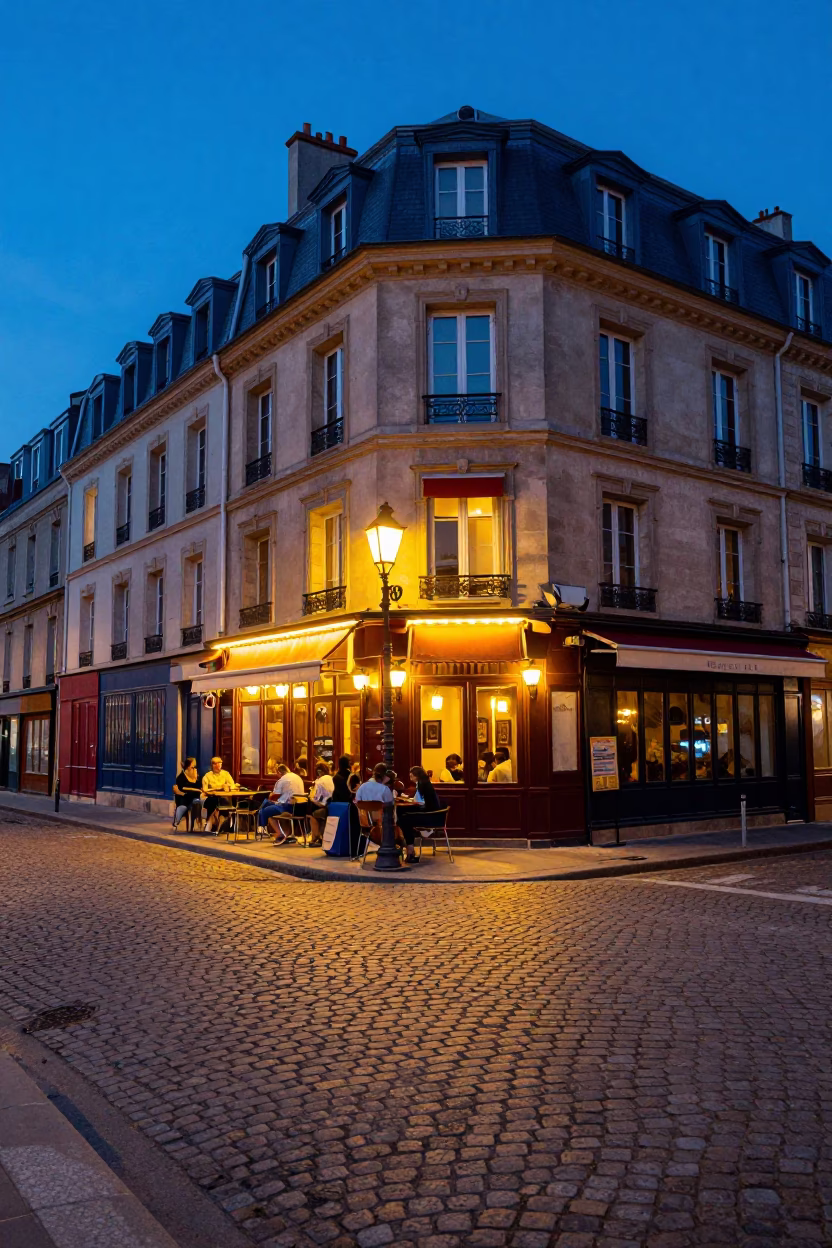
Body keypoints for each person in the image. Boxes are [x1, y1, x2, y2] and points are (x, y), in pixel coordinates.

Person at [354, 763, 407, 858]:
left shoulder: (362, 787)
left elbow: (357, 802)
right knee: (400, 823)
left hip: (366, 825)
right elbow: (390, 804)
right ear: (386, 776)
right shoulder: (384, 789)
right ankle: (403, 848)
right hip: (383, 825)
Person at [396, 766, 444, 864]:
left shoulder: (423, 785)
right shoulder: (424, 783)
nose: (410, 778)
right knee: (403, 816)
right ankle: (409, 848)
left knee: (403, 820)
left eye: (412, 776)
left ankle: (409, 850)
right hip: (432, 814)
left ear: (417, 776)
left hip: (431, 816)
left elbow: (421, 803)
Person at [258, 763, 306, 841]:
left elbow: (274, 796)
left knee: (266, 810)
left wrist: (270, 796)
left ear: (279, 772)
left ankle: (277, 833)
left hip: (287, 807)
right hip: (300, 807)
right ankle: (281, 833)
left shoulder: (282, 780)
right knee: (269, 808)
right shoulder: (297, 777)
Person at [201, 757, 235, 833]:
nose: (217, 765)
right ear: (211, 765)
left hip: (223, 797)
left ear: (221, 764)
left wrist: (228, 786)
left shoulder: (226, 774)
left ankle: (223, 825)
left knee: (229, 802)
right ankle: (212, 823)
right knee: (215, 801)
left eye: (219, 763)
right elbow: (205, 789)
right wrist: (219, 787)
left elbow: (233, 785)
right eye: (215, 763)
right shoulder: (207, 776)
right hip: (210, 797)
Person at [308, 762, 335, 846]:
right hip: (333, 805)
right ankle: (319, 836)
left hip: (326, 807)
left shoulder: (320, 781)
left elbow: (317, 799)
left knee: (311, 812)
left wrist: (310, 797)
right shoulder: (332, 778)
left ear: (319, 772)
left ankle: (315, 838)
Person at [173, 757, 202, 831]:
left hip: (194, 798)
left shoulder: (196, 777)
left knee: (197, 802)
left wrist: (195, 779)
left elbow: (199, 788)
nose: (195, 769)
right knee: (187, 804)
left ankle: (195, 824)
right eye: (193, 767)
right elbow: (179, 791)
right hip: (183, 799)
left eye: (195, 767)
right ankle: (179, 819)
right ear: (187, 768)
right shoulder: (181, 777)